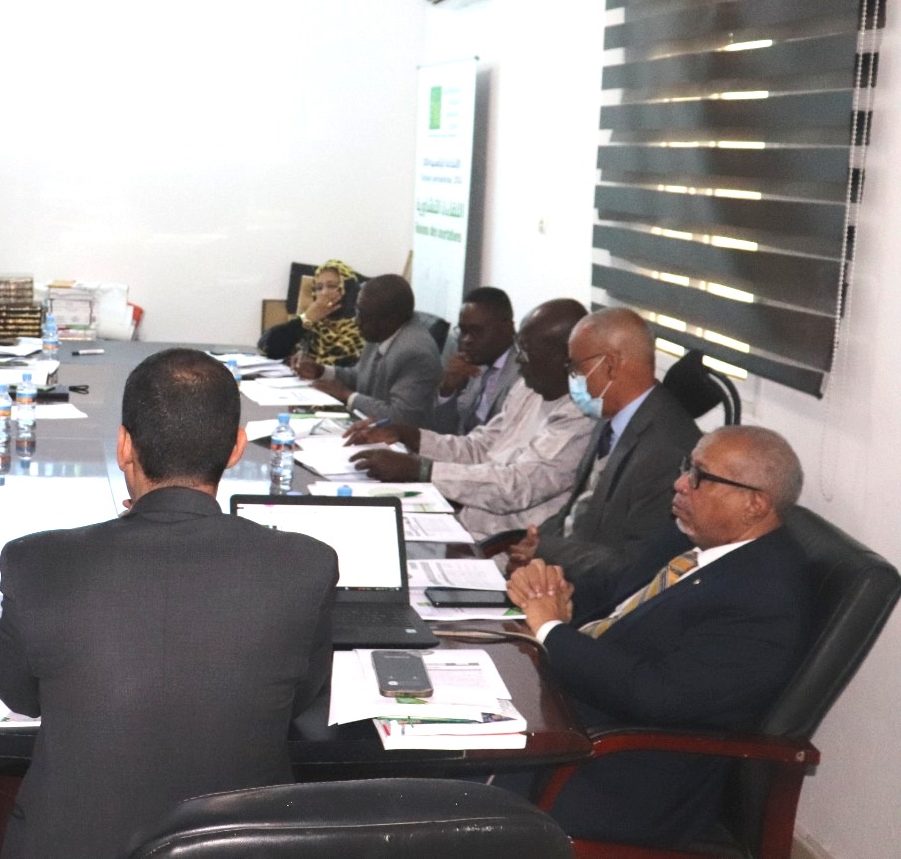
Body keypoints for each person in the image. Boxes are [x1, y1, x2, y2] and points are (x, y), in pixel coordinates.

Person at [0, 348, 337, 859]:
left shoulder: (35, 561)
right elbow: (301, 700)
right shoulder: (306, 566)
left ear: (124, 446)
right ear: (237, 448)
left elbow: (19, 697)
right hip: (239, 847)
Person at [506, 426, 814, 847]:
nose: (680, 483)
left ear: (754, 504)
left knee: (443, 778)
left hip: (621, 776)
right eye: (687, 467)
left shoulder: (764, 598)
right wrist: (554, 591)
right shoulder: (694, 537)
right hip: (573, 717)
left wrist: (551, 630)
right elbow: (620, 592)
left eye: (700, 476)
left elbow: (656, 695)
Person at [347, 299, 595, 537]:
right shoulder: (528, 389)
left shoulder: (580, 417)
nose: (518, 359)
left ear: (565, 359)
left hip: (502, 544)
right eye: (519, 348)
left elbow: (515, 487)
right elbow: (479, 448)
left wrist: (420, 469)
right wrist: (408, 435)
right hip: (464, 520)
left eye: (527, 352)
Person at [507, 307, 701, 582]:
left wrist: (546, 551)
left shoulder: (667, 450)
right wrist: (534, 543)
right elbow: (576, 511)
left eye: (575, 367)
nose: (571, 377)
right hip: (562, 575)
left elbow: (638, 567)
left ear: (610, 365)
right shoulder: (610, 416)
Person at [294, 273, 442, 426]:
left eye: (363, 315)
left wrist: (348, 396)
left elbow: (400, 417)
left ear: (390, 319)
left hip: (397, 439)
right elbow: (361, 376)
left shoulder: (415, 353)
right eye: (357, 312)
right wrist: (322, 371)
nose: (356, 321)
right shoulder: (382, 331)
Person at [429, 286, 519, 436]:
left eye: (477, 331)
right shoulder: (474, 363)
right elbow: (445, 432)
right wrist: (447, 390)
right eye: (463, 331)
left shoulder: (523, 375)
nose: (467, 340)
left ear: (507, 328)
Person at [256, 258, 366, 366]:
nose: (323, 293)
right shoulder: (309, 324)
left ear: (348, 290)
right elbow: (266, 347)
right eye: (318, 287)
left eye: (332, 286)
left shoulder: (365, 328)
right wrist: (306, 319)